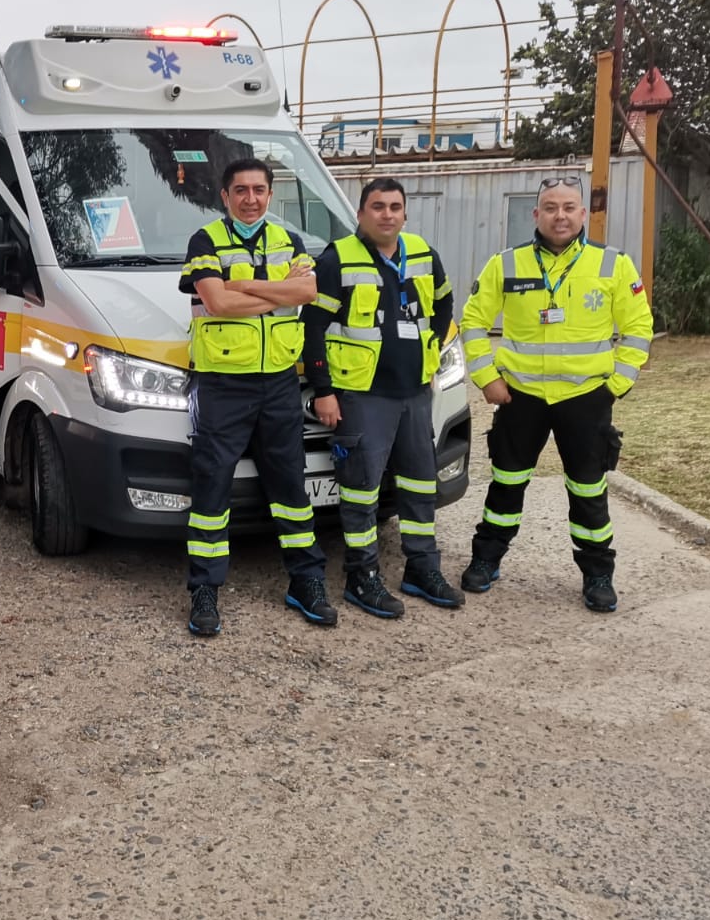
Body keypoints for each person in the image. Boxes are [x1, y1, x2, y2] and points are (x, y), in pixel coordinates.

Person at [459, 175, 654, 612]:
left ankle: (598, 574)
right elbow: (472, 320)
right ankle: (486, 559)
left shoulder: (613, 264)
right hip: (520, 396)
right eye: (550, 207)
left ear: (583, 214)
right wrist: (487, 377)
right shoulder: (506, 264)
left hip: (586, 398)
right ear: (536, 214)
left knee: (588, 490)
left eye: (569, 207)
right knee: (506, 484)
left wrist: (616, 384)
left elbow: (639, 326)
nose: (560, 215)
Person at [178, 158, 331, 636]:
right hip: (223, 382)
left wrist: (245, 284)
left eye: (259, 189)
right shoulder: (205, 241)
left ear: (270, 193)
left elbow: (308, 292)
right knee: (212, 488)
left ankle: (305, 581)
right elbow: (217, 302)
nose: (251, 198)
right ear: (224, 197)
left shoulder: (290, 240)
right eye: (240, 190)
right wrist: (278, 292)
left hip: (280, 381)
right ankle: (205, 590)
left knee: (291, 487)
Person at [302, 176, 463, 618]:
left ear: (405, 213)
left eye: (395, 206)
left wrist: (429, 348)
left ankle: (421, 568)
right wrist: (324, 391)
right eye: (377, 206)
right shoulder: (337, 259)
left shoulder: (424, 254)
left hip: (414, 393)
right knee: (360, 491)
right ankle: (362, 576)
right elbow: (311, 327)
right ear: (361, 214)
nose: (387, 214)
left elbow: (445, 304)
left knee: (419, 485)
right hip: (361, 395)